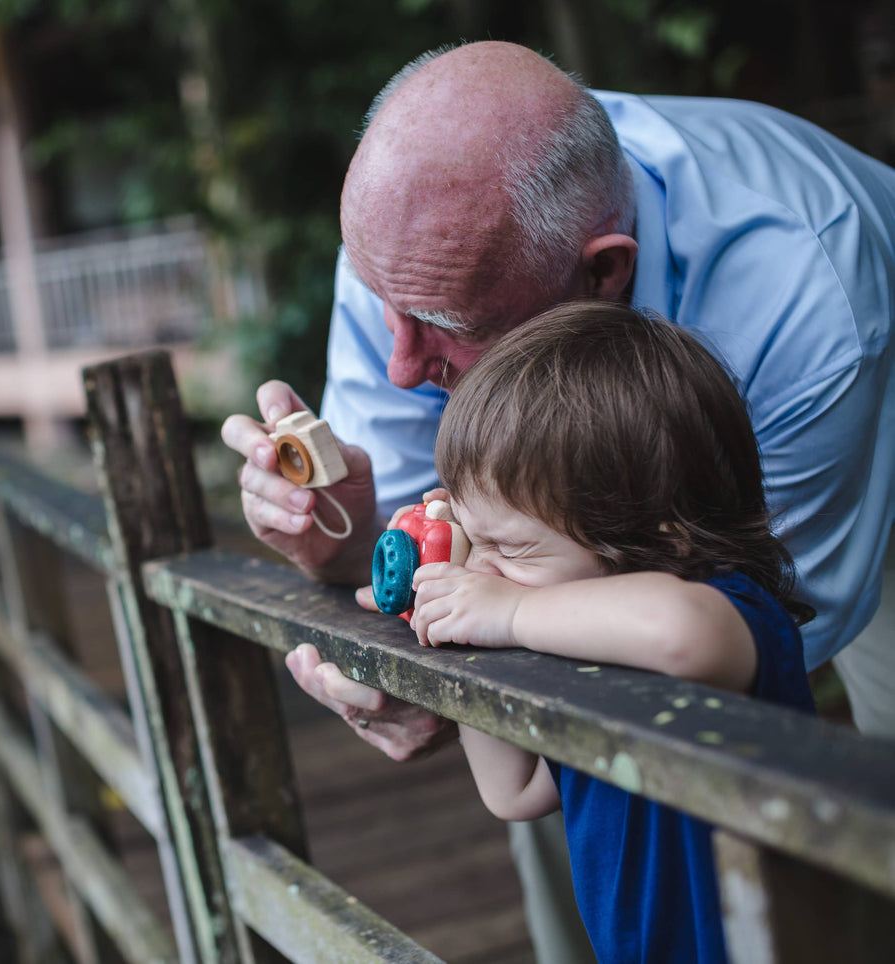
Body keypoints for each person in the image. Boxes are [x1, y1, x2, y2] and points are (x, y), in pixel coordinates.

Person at [220, 40, 895, 964]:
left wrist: (508, 606)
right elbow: (418, 552)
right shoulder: (415, 250)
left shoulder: (802, 287)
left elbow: (747, 616)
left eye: (449, 329)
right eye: (386, 303)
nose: (400, 368)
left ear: (601, 274)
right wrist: (352, 553)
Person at [416, 301, 814, 964]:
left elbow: (678, 630)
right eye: (471, 537)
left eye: (508, 547)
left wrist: (504, 612)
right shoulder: (573, 649)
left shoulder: (730, 611)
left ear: (657, 538)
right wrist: (461, 621)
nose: (483, 570)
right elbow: (511, 792)